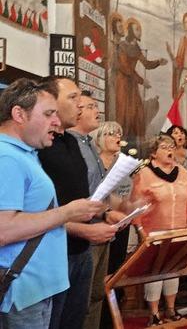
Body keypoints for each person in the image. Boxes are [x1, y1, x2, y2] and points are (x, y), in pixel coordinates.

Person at [0, 79, 103, 329]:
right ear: (19, 114)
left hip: (37, 288)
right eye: (48, 114)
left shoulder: (24, 153)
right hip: (23, 291)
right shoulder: (7, 157)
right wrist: (68, 212)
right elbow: (4, 230)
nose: (56, 122)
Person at [38, 77, 118, 329]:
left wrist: (108, 211)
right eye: (73, 98)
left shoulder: (72, 142)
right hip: (53, 250)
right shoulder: (40, 145)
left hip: (81, 250)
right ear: (49, 101)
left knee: (77, 318)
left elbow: (82, 193)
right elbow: (36, 210)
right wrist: (82, 228)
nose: (80, 106)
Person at [69, 92, 125, 329]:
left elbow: (98, 188)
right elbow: (75, 192)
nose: (97, 111)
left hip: (101, 227)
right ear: (77, 110)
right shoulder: (71, 145)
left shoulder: (87, 144)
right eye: (91, 106)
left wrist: (107, 212)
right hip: (83, 232)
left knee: (96, 294)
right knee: (78, 300)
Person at [132, 134, 187, 325]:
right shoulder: (144, 174)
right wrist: (141, 230)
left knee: (173, 270)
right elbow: (136, 205)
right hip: (154, 232)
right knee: (155, 272)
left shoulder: (183, 172)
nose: (170, 150)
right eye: (165, 147)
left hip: (179, 231)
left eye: (172, 147)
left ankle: (171, 308)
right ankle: (154, 313)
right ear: (153, 153)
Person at [91, 121, 131, 329]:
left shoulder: (122, 164)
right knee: (96, 280)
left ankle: (110, 319)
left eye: (119, 133)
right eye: (112, 133)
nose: (117, 137)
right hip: (95, 224)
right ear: (99, 138)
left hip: (120, 225)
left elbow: (123, 198)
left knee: (113, 273)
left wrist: (132, 206)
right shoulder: (92, 162)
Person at [115, 17, 167, 140]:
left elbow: (146, 64)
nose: (140, 32)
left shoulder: (136, 47)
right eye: (137, 30)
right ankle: (121, 140)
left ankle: (134, 141)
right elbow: (125, 67)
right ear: (131, 31)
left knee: (137, 111)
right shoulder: (122, 46)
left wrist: (158, 62)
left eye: (140, 30)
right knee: (124, 113)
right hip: (123, 83)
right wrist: (142, 81)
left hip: (132, 83)